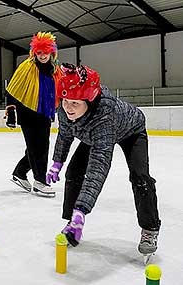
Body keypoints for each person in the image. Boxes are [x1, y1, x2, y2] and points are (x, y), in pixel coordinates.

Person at [46, 63, 161, 259]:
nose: (68, 108)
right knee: (73, 173)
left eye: (75, 103)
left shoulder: (104, 117)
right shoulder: (64, 108)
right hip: (93, 134)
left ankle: (150, 229)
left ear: (89, 102)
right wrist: (57, 163)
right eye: (66, 101)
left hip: (131, 132)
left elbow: (97, 170)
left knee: (140, 177)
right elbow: (64, 135)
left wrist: (83, 208)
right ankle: (72, 223)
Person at [5, 32, 62, 197]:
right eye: (39, 52)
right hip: (27, 111)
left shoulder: (55, 69)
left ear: (52, 52)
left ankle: (20, 172)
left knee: (40, 146)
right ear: (34, 52)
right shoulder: (26, 66)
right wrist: (11, 113)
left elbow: (59, 91)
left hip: (44, 112)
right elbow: (12, 90)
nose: (43, 56)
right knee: (37, 148)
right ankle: (40, 182)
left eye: (46, 52)